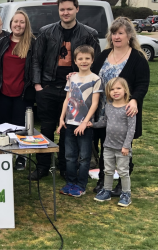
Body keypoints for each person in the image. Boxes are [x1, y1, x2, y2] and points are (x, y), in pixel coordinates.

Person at [31, 0, 101, 181]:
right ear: (58, 11)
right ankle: (43, 166)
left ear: (77, 9)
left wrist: (83, 80)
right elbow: (36, 59)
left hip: (74, 90)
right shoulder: (46, 32)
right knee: (46, 128)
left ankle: (64, 167)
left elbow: (95, 63)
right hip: (48, 87)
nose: (66, 12)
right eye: (62, 9)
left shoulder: (89, 34)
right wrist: (38, 85)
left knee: (67, 130)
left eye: (69, 9)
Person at [91, 17, 149, 196]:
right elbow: (91, 75)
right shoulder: (104, 54)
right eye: (114, 33)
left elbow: (142, 83)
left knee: (123, 148)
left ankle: (122, 183)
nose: (116, 37)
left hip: (123, 111)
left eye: (120, 33)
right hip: (101, 109)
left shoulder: (138, 58)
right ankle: (103, 179)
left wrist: (135, 100)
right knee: (103, 146)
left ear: (129, 35)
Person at [0, 10, 35, 171]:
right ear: (11, 24)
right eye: (16, 21)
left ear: (26, 25)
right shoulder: (1, 42)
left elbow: (36, 67)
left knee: (20, 127)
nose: (18, 25)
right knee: (3, 126)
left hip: (23, 93)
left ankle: (21, 157)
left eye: (22, 22)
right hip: (3, 92)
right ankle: (5, 155)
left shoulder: (33, 43)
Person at [56, 45, 103, 197]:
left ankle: (81, 185)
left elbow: (95, 104)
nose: (84, 61)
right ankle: (70, 182)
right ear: (75, 61)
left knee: (84, 157)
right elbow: (67, 99)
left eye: (87, 58)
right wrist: (62, 118)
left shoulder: (95, 79)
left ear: (92, 60)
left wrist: (85, 122)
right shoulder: (72, 78)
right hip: (69, 123)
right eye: (80, 59)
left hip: (85, 126)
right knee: (69, 156)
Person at [91, 77, 135, 207]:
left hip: (122, 147)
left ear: (125, 90)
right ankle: (106, 190)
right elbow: (104, 122)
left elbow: (131, 130)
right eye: (112, 89)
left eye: (118, 88)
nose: (115, 91)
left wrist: (126, 146)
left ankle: (126, 193)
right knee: (108, 170)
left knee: (123, 171)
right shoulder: (108, 107)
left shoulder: (129, 108)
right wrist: (92, 125)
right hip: (108, 145)